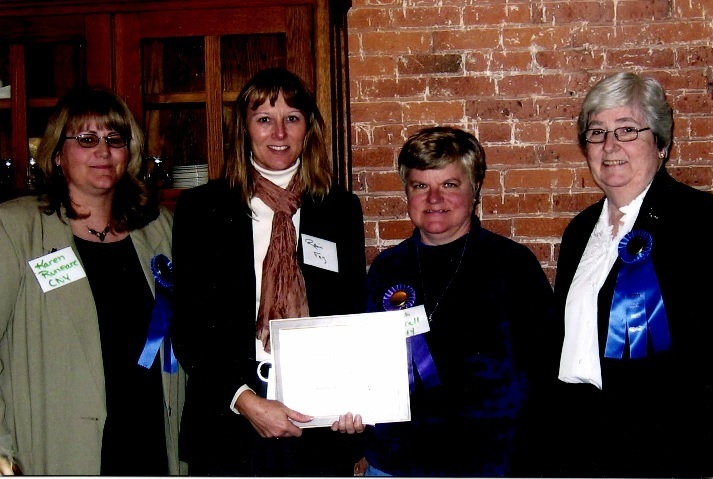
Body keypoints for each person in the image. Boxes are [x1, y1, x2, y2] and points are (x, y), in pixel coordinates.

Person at [172, 67, 367, 476]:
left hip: (317, 415)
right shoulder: (202, 210)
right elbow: (190, 327)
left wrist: (353, 397)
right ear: (244, 130)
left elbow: (350, 312)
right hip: (229, 416)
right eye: (264, 119)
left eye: (291, 118)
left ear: (308, 129)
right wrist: (246, 401)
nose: (279, 133)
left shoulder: (338, 209)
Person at [0, 85, 186, 475]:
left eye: (115, 139)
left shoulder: (160, 229)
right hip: (60, 447)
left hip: (152, 440)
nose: (103, 151)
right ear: (56, 154)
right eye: (86, 139)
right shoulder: (16, 229)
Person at [360, 126, 556, 476]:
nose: (434, 199)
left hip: (485, 463)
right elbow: (366, 365)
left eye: (449, 184)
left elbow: (543, 372)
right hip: (396, 463)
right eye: (420, 186)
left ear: (475, 188)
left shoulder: (512, 264)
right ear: (406, 192)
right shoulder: (386, 268)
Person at [553, 71, 713, 477]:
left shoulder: (701, 221)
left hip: (665, 446)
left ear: (660, 143)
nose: (610, 146)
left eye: (627, 129)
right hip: (581, 439)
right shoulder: (579, 231)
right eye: (597, 132)